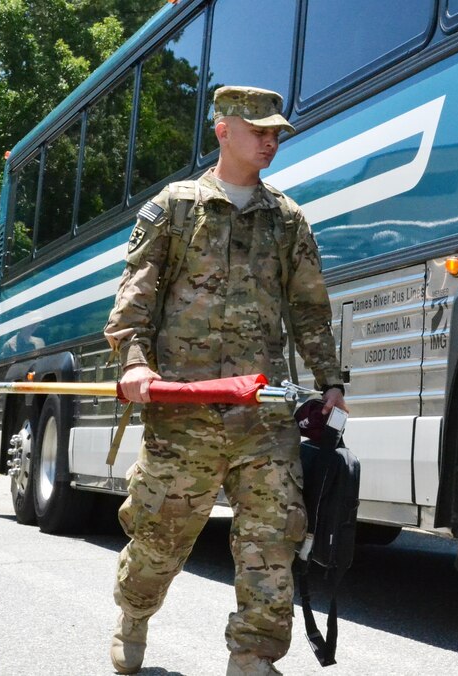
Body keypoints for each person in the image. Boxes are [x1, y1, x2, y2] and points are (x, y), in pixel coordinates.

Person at [103, 86, 348, 676]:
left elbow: (310, 309)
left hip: (262, 415)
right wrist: (135, 363)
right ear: (223, 129)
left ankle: (253, 657)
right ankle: (134, 618)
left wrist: (330, 381)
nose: (270, 141)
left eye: (276, 133)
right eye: (258, 130)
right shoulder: (177, 207)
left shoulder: (287, 219)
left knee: (273, 538)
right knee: (159, 541)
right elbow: (134, 300)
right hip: (182, 412)